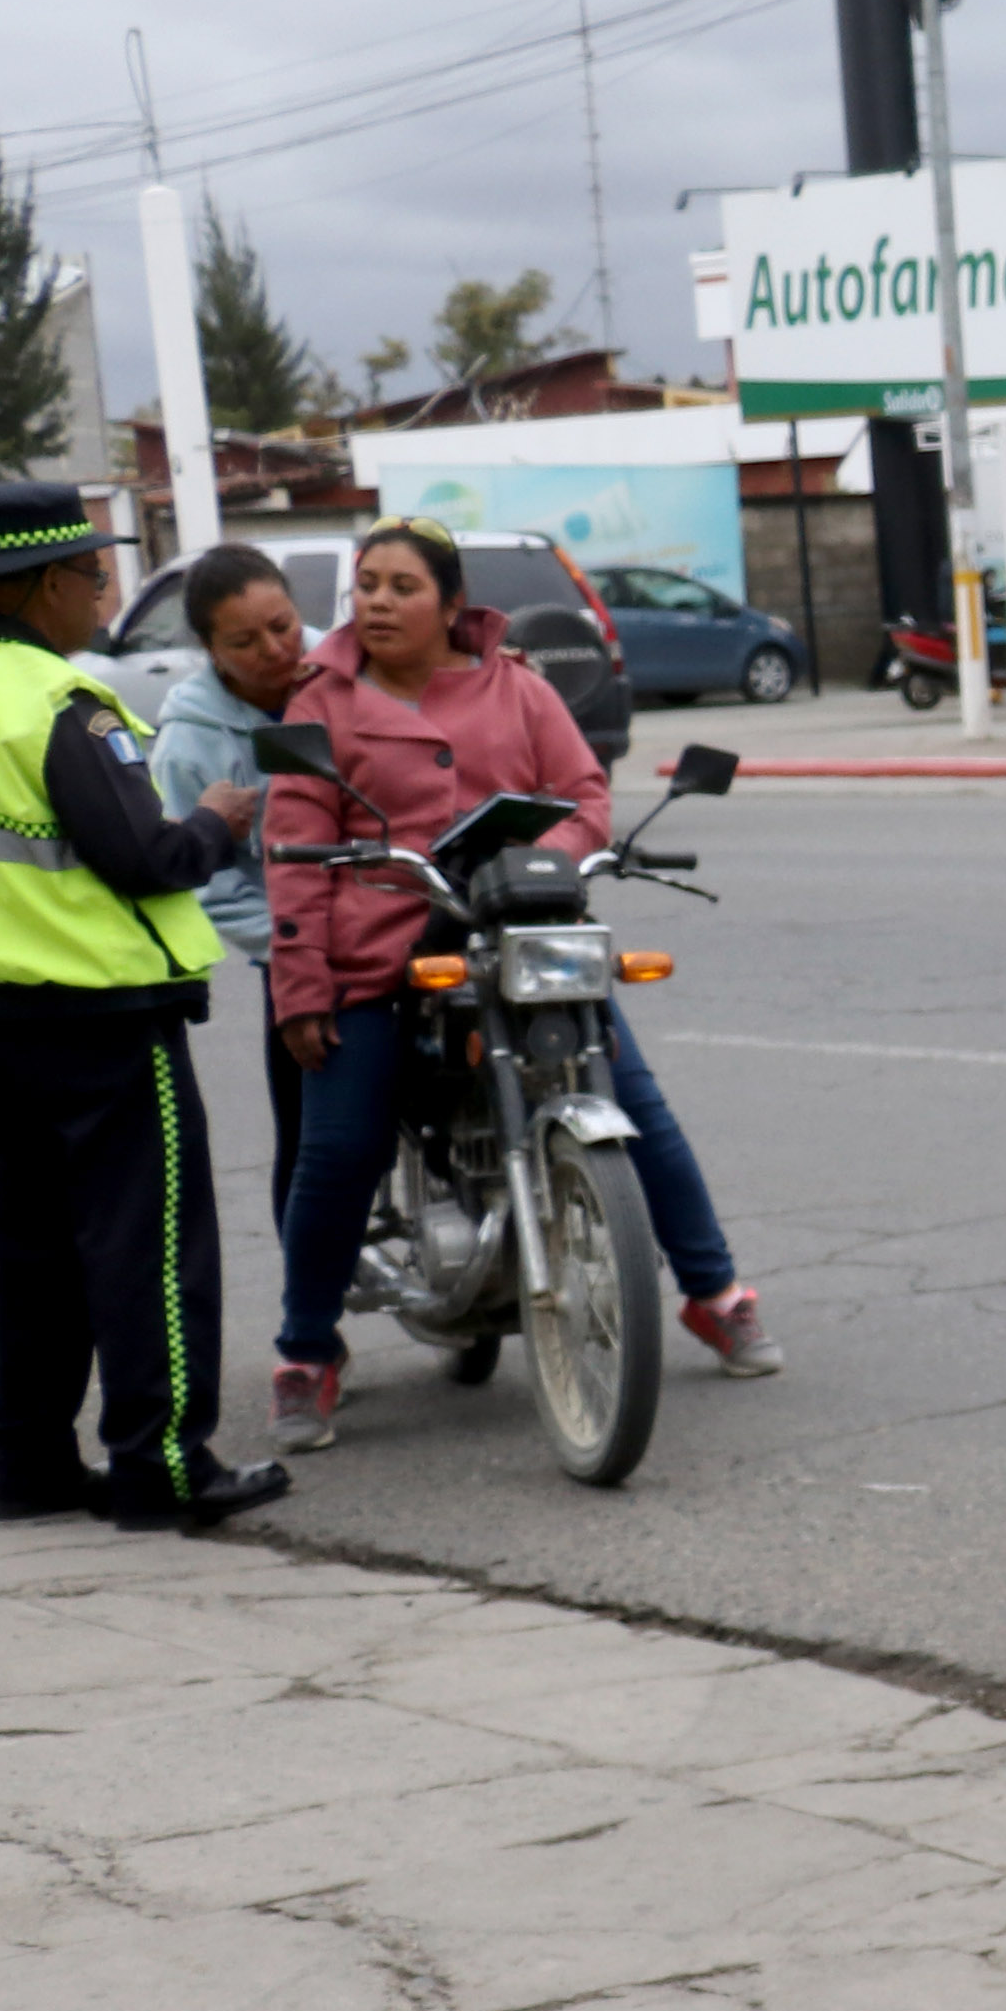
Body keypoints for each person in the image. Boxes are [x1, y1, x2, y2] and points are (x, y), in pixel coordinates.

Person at [266, 520, 777, 1448]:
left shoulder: (519, 685)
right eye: (368, 585)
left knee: (637, 1103)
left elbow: (586, 795)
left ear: (452, 606)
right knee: (340, 1146)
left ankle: (714, 1293)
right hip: (381, 955)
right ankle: (306, 1353)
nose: (377, 602)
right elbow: (293, 856)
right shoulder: (321, 705)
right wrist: (301, 986)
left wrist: (541, 862)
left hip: (526, 935)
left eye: (402, 587)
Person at [0, 480, 288, 1530]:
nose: (104, 596)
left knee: (30, 1249)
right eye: (94, 577)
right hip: (95, 1012)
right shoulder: (57, 705)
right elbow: (144, 857)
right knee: (146, 1244)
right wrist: (219, 823)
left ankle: (28, 1463)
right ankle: (163, 1465)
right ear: (48, 583)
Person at [147, 546, 314, 1211]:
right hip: (299, 950)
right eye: (245, 641)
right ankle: (308, 1312)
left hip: (393, 919)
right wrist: (293, 947)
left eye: (284, 625)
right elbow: (209, 884)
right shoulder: (189, 742)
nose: (275, 650)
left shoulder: (351, 670)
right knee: (312, 1137)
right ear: (212, 651)